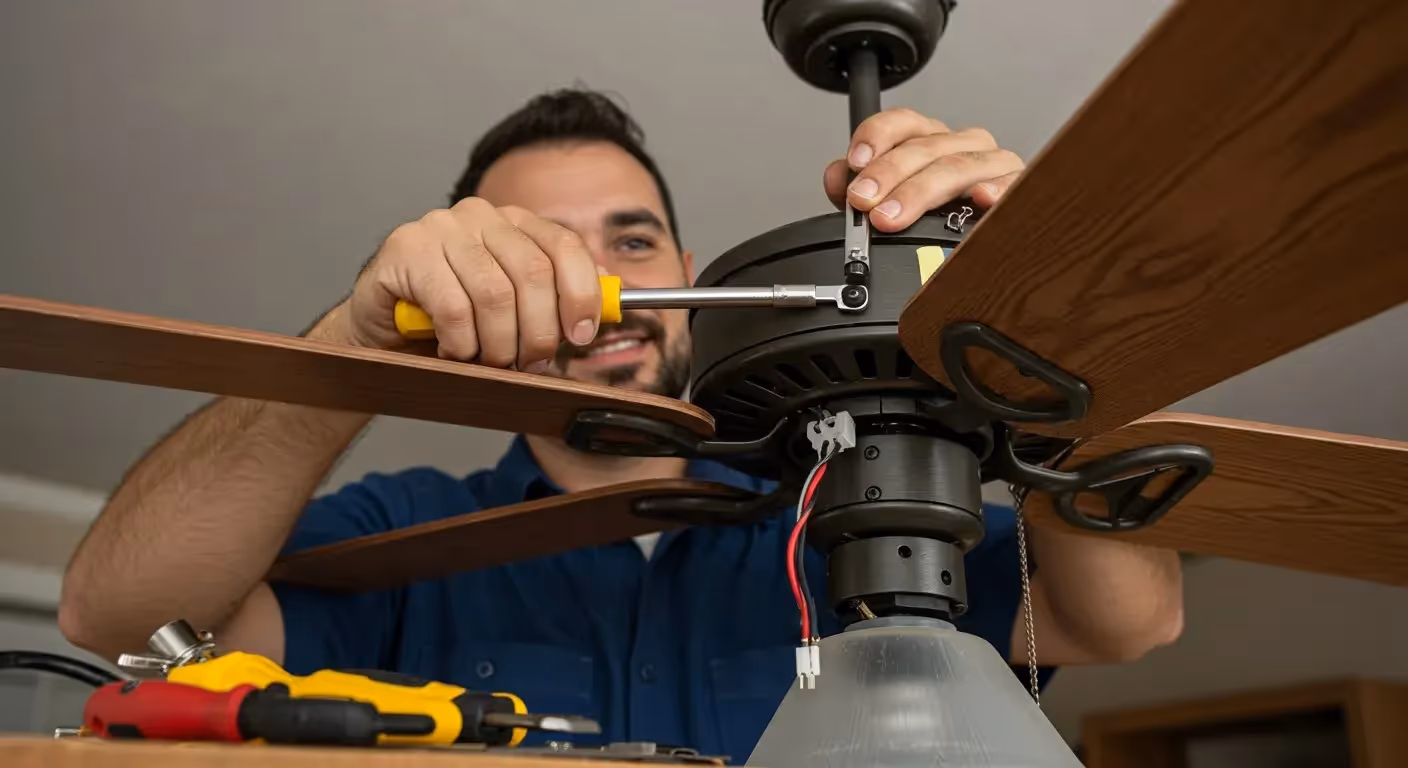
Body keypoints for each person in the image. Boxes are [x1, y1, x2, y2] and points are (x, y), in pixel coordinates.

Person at [59, 89, 1183, 759]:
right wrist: (354, 338)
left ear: (689, 276)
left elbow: (1129, 619)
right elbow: (117, 614)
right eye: (537, 250)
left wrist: (1051, 308)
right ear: (462, 293)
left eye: (632, 243)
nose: (600, 287)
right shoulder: (400, 537)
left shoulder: (848, 516)